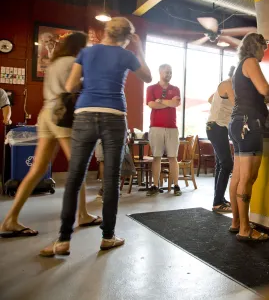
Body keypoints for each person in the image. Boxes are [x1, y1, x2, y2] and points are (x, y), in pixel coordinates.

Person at [40, 17, 152, 256]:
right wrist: (139, 48)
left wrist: (89, 81)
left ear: (105, 31)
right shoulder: (126, 55)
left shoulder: (87, 53)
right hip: (114, 115)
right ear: (126, 38)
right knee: (111, 179)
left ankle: (63, 240)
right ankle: (108, 237)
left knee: (75, 177)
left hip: (85, 113)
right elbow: (147, 76)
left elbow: (70, 86)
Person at [0, 32, 101, 238]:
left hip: (46, 113)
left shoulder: (54, 63)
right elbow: (77, 88)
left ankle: (10, 219)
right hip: (62, 114)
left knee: (37, 170)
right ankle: (81, 214)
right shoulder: (74, 62)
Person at [228, 33, 269, 242]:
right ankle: (245, 229)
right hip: (248, 123)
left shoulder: (241, 66)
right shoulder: (251, 61)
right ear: (256, 46)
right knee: (248, 178)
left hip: (238, 122)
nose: (264, 52)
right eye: (264, 48)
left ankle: (236, 223)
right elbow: (265, 88)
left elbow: (263, 94)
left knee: (238, 176)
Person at [146, 64, 182, 197]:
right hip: (156, 127)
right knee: (157, 157)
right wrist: (168, 102)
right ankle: (155, 185)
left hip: (172, 128)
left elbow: (175, 103)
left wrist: (160, 101)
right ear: (160, 72)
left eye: (171, 72)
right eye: (167, 72)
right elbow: (151, 104)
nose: (169, 74)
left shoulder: (176, 89)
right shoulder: (151, 88)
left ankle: (176, 185)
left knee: (173, 157)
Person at [206, 66, 236, 213]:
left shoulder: (225, 86)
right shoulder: (228, 84)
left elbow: (210, 99)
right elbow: (238, 104)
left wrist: (220, 107)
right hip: (217, 126)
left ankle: (219, 200)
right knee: (227, 163)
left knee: (221, 164)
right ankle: (218, 202)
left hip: (217, 126)